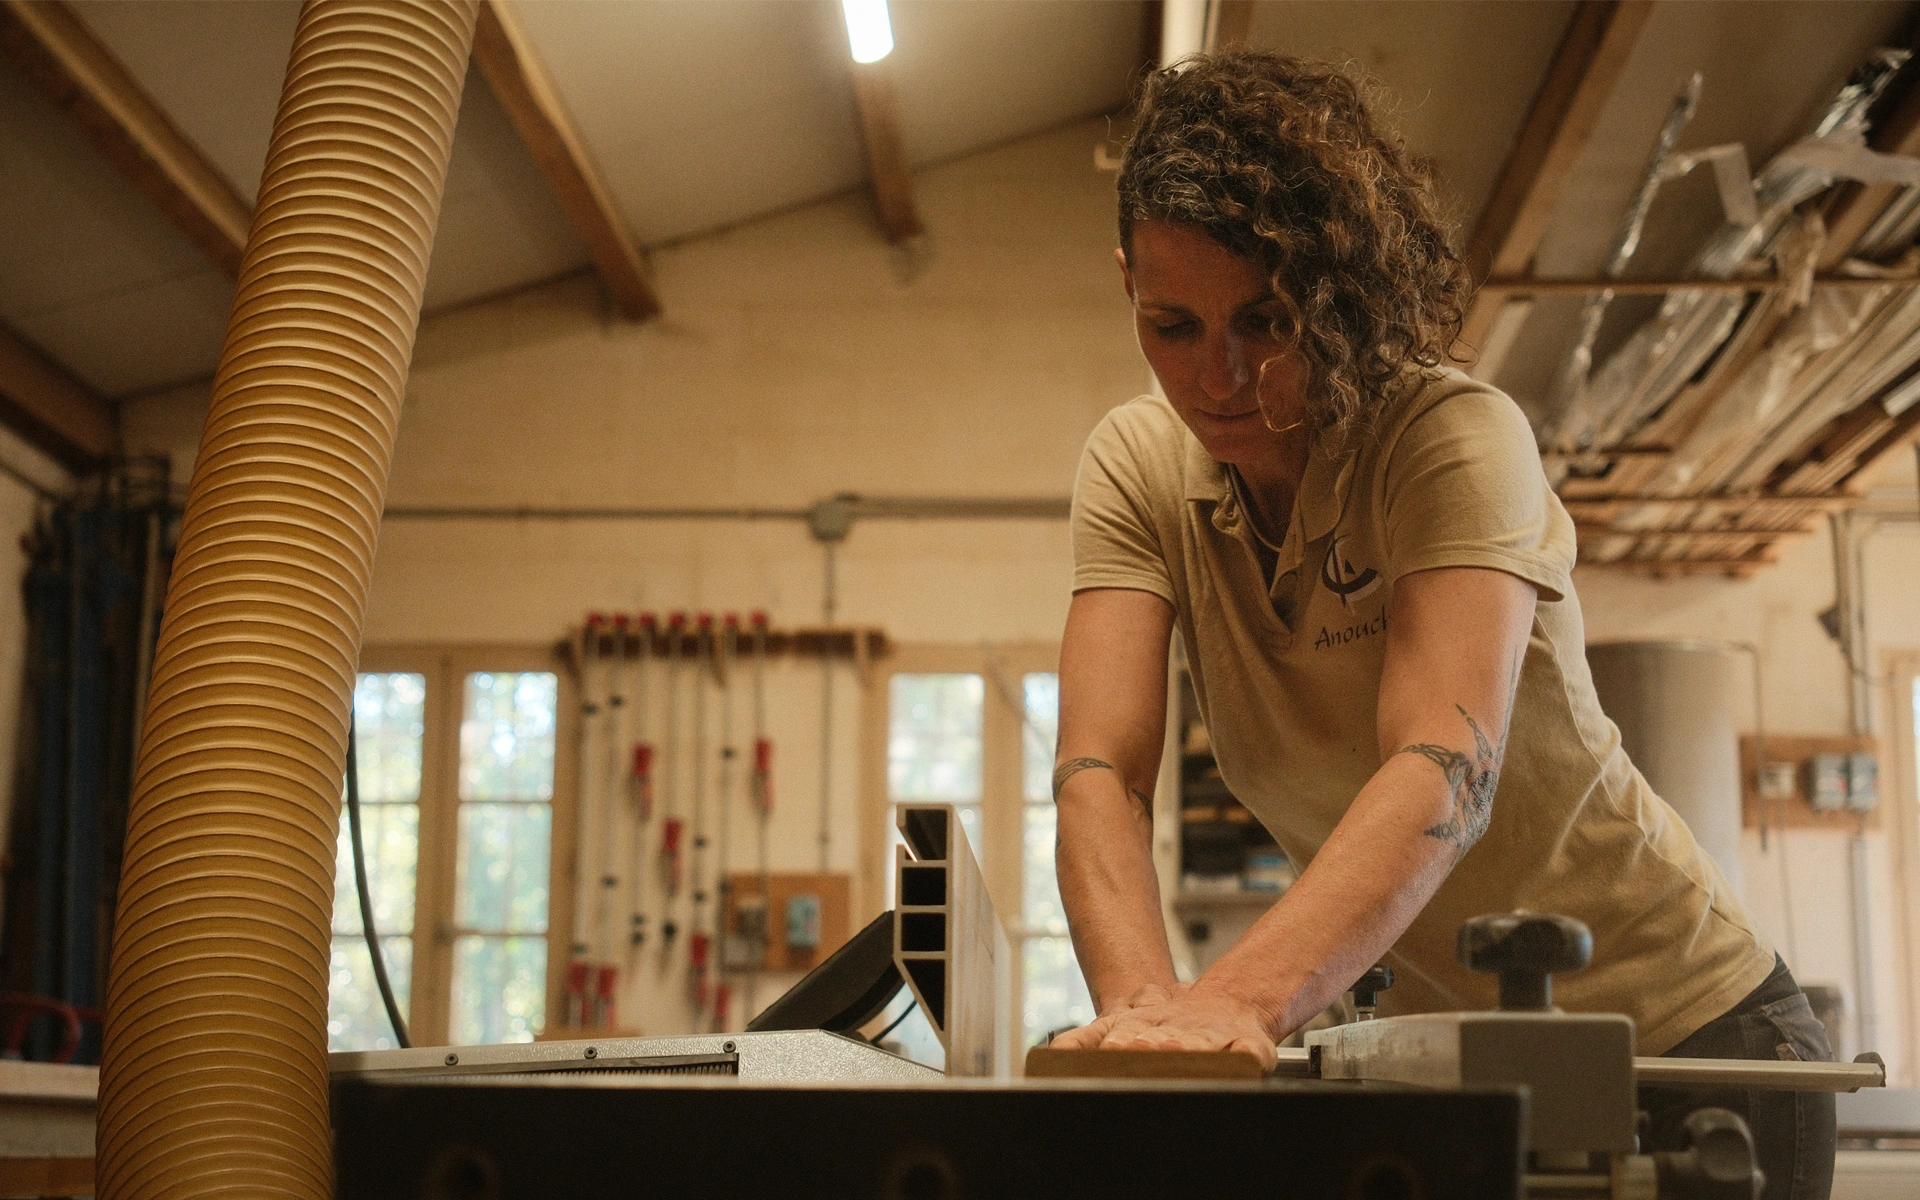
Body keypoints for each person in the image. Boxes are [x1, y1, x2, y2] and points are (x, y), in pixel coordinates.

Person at [1048, 50, 1836, 1200]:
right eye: (1171, 324)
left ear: (1334, 288)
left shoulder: (1450, 440)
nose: (1216, 376)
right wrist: (1146, 1028)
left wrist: (1230, 1005)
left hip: (1697, 1040)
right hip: (1452, 1062)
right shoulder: (1135, 468)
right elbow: (1100, 771)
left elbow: (1444, 764)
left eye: (1265, 318)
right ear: (1125, 281)